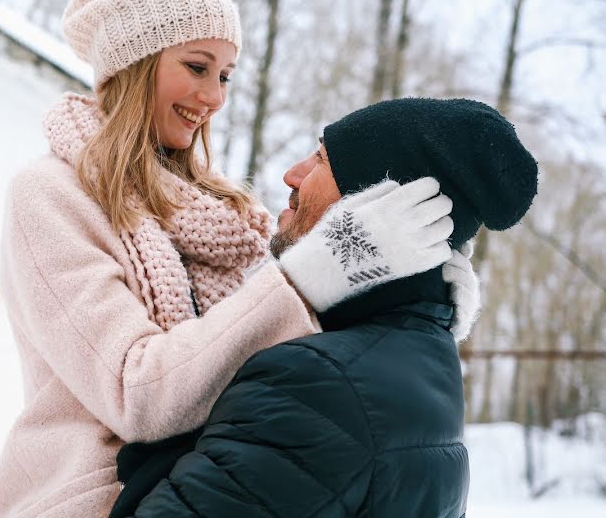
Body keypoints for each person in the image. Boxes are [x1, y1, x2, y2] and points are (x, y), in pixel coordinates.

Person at [0, 0, 472, 518]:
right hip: (95, 502)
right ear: (134, 63)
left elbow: (270, 351)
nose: (215, 96)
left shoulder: (221, 214)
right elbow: (137, 393)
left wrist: (417, 287)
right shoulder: (51, 196)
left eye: (224, 75)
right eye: (197, 66)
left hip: (204, 484)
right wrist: (313, 272)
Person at [111, 97, 538, 518]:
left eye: (321, 161)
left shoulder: (313, 383)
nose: (292, 175)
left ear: (376, 206)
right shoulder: (429, 365)